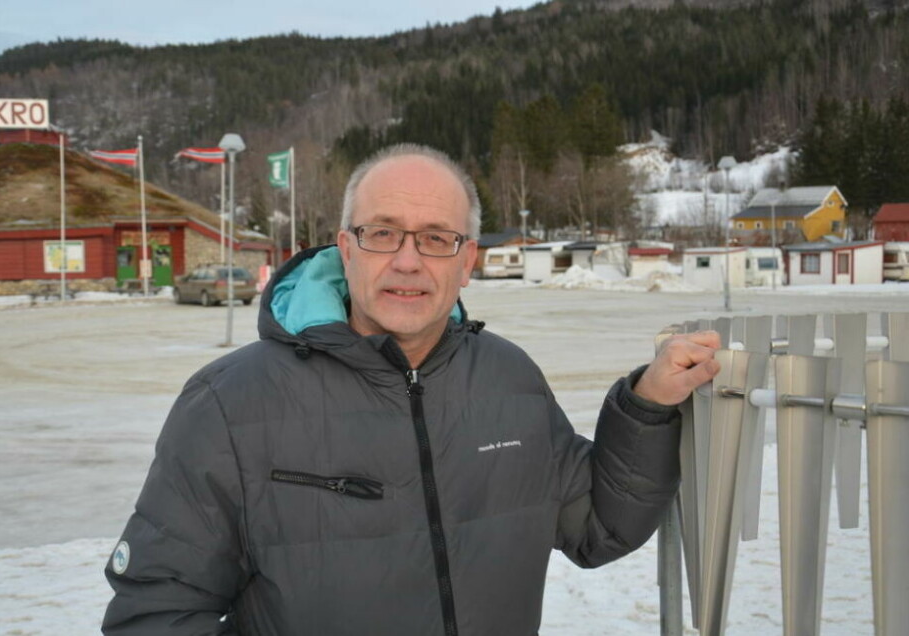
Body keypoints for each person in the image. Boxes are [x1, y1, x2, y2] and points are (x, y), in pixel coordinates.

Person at [103, 143, 720, 635]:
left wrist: (648, 403)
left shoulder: (509, 379)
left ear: (467, 260)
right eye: (382, 233)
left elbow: (598, 525)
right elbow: (158, 612)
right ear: (346, 249)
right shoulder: (230, 402)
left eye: (435, 238)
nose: (407, 260)